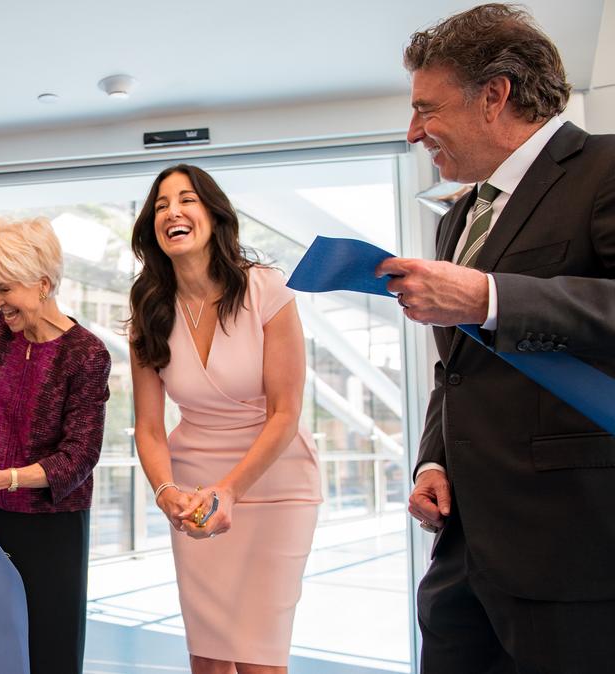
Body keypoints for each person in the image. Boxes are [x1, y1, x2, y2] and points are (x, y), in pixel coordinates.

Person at [376, 5, 615, 672]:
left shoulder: (604, 169)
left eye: (427, 108)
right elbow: (459, 372)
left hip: (574, 551)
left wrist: (488, 297)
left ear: (495, 96)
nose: (414, 131)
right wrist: (433, 460)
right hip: (463, 554)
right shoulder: (456, 224)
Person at [128, 165, 320, 674]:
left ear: (213, 214)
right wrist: (167, 490)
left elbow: (285, 410)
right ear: (153, 227)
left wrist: (230, 489)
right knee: (209, 660)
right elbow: (148, 427)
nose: (173, 211)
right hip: (192, 488)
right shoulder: (149, 307)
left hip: (277, 484)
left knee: (261, 659)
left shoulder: (265, 289)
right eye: (162, 204)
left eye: (186, 200)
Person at [0, 217, 111, 674]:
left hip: (53, 526)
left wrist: (5, 478)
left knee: (48, 653)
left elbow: (80, 456)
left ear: (43, 283)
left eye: (4, 289)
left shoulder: (86, 354)